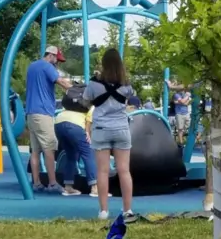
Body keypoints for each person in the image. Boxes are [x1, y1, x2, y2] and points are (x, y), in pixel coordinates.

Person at [84, 50, 137, 223]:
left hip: (101, 128)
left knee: (102, 171)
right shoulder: (126, 84)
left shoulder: (94, 84)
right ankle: (128, 209)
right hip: (121, 128)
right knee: (124, 170)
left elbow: (86, 101)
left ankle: (104, 210)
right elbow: (131, 97)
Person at [25, 47, 71, 194]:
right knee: (49, 149)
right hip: (43, 112)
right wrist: (78, 89)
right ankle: (52, 183)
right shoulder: (47, 66)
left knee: (35, 151)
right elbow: (61, 83)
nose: (57, 62)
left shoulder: (32, 66)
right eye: (56, 59)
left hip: (31, 112)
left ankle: (37, 182)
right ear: (50, 55)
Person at [55, 91, 98, 198]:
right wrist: (89, 135)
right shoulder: (92, 105)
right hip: (75, 125)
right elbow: (89, 121)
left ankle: (68, 186)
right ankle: (94, 188)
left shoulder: (73, 103)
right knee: (88, 153)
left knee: (71, 155)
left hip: (58, 123)